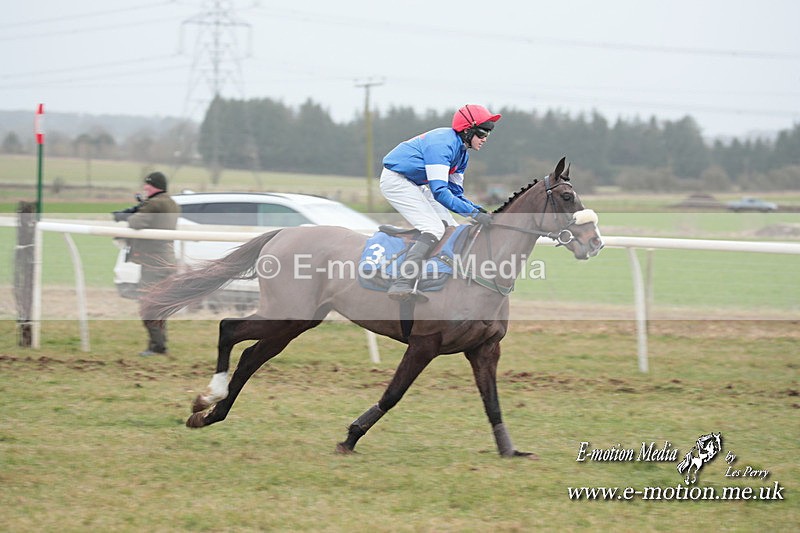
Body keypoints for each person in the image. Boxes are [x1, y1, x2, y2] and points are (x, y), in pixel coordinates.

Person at [379, 104, 500, 300]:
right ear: (467, 130)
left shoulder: (462, 155)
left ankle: (433, 277)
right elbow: (441, 193)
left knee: (451, 228)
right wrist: (475, 215)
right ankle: (402, 282)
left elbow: (456, 194)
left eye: (488, 134)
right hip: (396, 180)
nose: (485, 138)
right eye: (482, 133)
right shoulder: (442, 145)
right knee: (434, 228)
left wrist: (480, 211)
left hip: (416, 183)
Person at [113, 171, 180, 356]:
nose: (145, 187)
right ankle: (159, 343)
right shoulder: (171, 203)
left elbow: (135, 222)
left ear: (156, 186)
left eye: (148, 185)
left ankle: (157, 346)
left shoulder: (154, 203)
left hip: (153, 263)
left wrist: (129, 214)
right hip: (167, 261)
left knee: (147, 304)